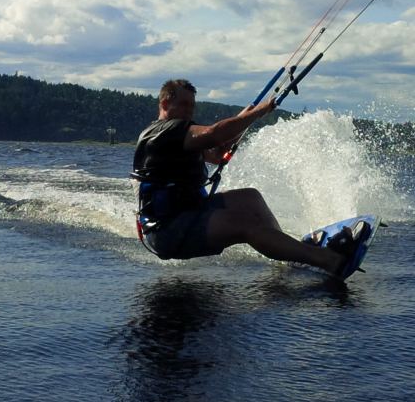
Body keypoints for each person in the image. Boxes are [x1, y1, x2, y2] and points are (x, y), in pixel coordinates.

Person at [132, 79, 358, 277]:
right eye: (183, 105)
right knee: (245, 224)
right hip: (167, 230)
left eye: (192, 105)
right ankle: (330, 260)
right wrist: (257, 113)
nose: (189, 111)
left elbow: (216, 154)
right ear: (164, 104)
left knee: (251, 197)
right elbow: (213, 134)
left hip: (188, 210)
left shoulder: (179, 135)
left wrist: (242, 121)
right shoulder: (163, 131)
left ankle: (292, 251)